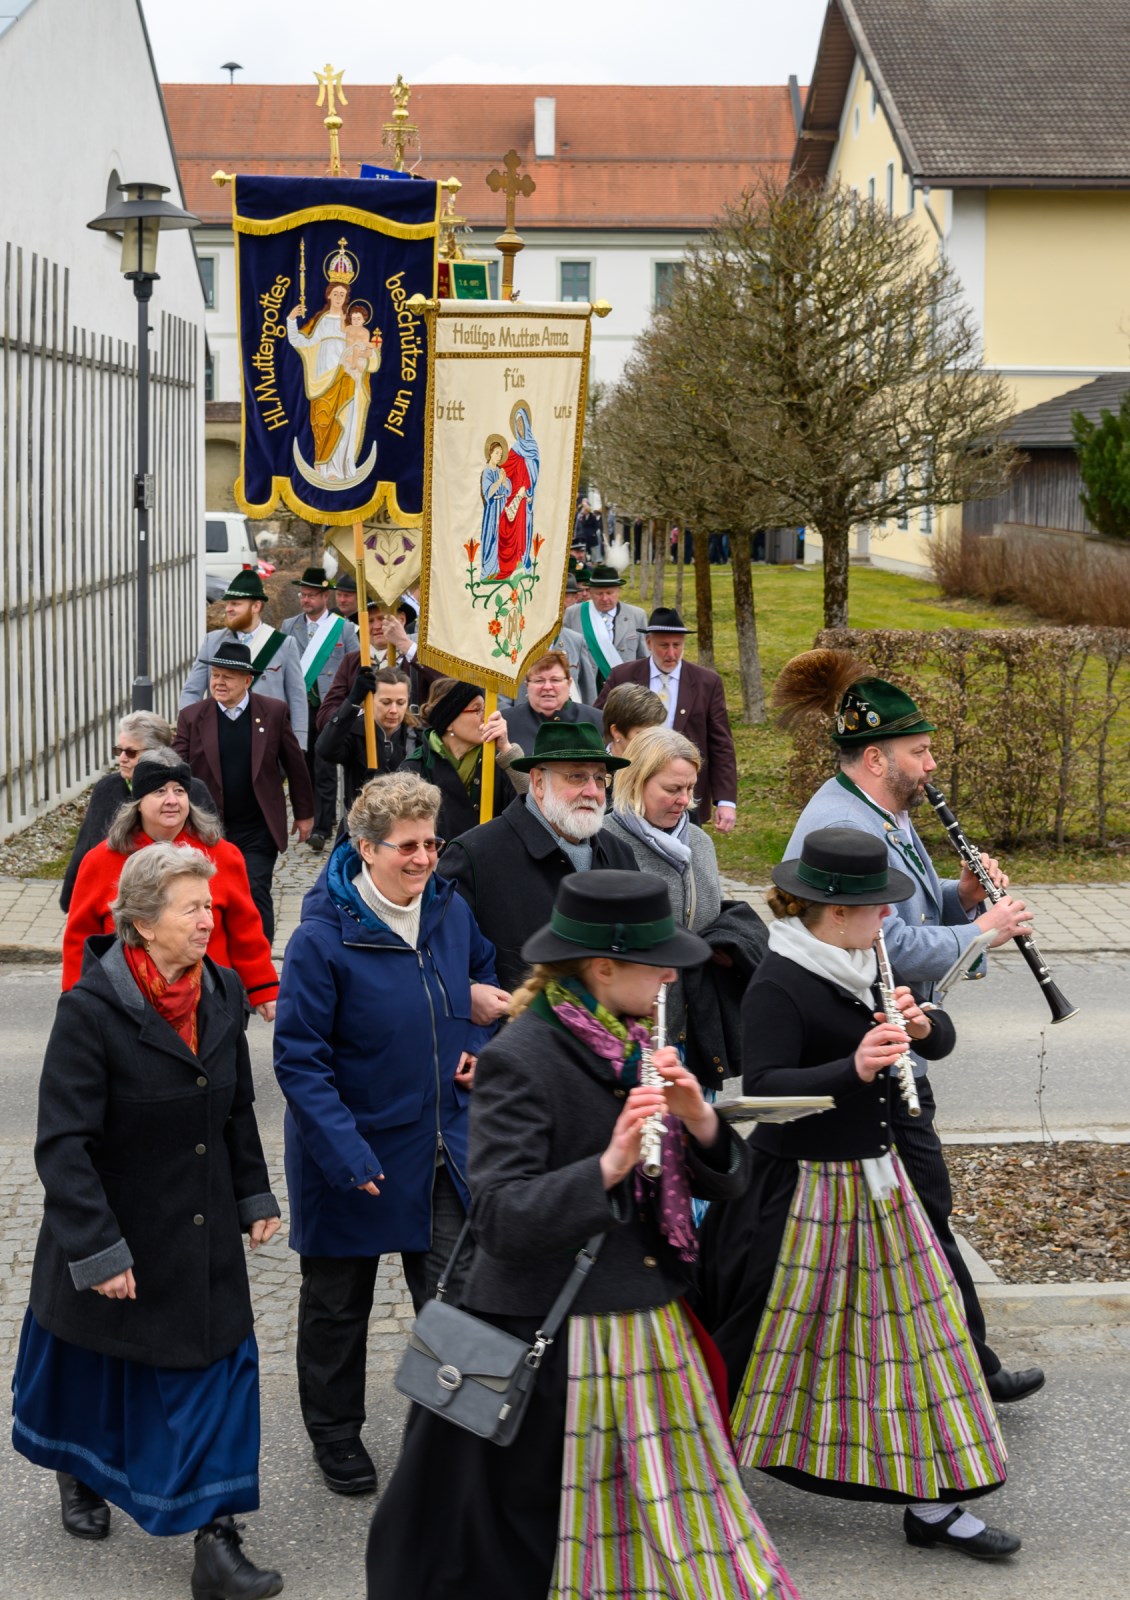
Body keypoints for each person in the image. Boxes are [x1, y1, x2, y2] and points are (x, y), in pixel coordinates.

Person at [366, 870, 798, 1600]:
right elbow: (501, 1218)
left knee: (684, 1533)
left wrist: (699, 1121)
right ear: (602, 969)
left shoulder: (635, 1042)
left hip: (648, 1322)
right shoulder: (521, 1057)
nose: (671, 975)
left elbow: (724, 1183)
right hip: (556, 1338)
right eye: (656, 962)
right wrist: (606, 1168)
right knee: (545, 1543)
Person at [697, 828, 1019, 1561]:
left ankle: (934, 1504)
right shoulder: (782, 976)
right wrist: (855, 1065)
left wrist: (920, 1022)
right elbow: (767, 1087)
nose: (890, 921)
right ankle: (694, 1472)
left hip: (878, 1182)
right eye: (880, 907)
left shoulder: (865, 959)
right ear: (836, 910)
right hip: (798, 1193)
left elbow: (937, 1044)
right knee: (756, 1339)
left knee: (923, 1337)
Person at [772, 649, 1044, 1403]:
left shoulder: (882, 813)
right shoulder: (836, 824)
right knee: (921, 1218)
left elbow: (913, 913)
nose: (930, 765)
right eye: (919, 752)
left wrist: (959, 897)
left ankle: (963, 1366)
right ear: (874, 757)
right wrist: (981, 931)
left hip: (897, 1044)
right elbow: (875, 940)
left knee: (922, 1217)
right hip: (866, 1055)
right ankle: (963, 1374)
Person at [13, 843, 283, 1598]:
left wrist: (254, 1194)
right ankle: (78, 1471)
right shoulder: (90, 1011)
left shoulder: (223, 991)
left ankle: (217, 1542)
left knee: (221, 1373)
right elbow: (62, 1144)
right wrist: (98, 1250)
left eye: (212, 906)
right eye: (193, 907)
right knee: (92, 1368)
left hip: (202, 1234)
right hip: (120, 1223)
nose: (210, 919)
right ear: (141, 921)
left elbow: (233, 1106)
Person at [272, 772, 507, 1498]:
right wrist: (344, 1153)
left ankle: (452, 1435)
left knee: (452, 1296)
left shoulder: (448, 909)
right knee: (339, 1304)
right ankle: (336, 1436)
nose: (424, 858)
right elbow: (299, 1060)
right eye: (407, 846)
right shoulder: (321, 939)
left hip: (439, 1147)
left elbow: (481, 973)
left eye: (432, 842)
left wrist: (474, 1036)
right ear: (366, 849)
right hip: (353, 1153)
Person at [63, 752, 279, 1015]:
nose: (172, 801)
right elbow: (79, 937)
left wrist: (262, 988)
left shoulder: (224, 855)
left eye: (179, 791)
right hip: (127, 1005)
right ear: (139, 803)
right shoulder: (99, 861)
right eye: (159, 791)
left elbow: (246, 930)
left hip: (210, 1002)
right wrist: (75, 998)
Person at [438, 720, 638, 992]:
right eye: (577, 776)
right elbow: (440, 954)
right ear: (538, 782)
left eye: (601, 778)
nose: (593, 791)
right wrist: (470, 991)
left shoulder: (620, 855)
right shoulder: (475, 856)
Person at [174, 642, 314, 944]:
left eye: (228, 677)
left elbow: (295, 764)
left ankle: (260, 952)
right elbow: (177, 769)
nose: (219, 683)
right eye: (215, 675)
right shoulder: (193, 716)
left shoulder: (273, 712)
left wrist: (304, 813)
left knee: (254, 887)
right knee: (212, 891)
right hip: (209, 827)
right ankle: (220, 955)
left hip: (257, 826)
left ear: (247, 680)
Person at [604, 726, 723, 1053]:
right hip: (631, 1033)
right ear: (636, 780)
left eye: (690, 788)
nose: (684, 801)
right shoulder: (604, 841)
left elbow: (713, 916)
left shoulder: (700, 843)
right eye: (672, 789)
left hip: (696, 1026)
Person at [597, 607, 739, 830]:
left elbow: (721, 743)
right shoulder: (622, 675)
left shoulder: (707, 682)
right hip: (629, 787)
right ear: (649, 644)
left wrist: (725, 800)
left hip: (682, 792)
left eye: (677, 645)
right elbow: (599, 721)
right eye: (664, 646)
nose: (671, 654)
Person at [60, 712, 216, 912]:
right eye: (119, 750)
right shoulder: (107, 789)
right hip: (117, 905)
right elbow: (86, 847)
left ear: (157, 752)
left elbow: (212, 851)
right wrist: (72, 898)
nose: (122, 759)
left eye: (131, 752)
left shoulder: (195, 791)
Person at [281, 566, 359, 850]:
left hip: (329, 707)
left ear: (325, 596)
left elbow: (354, 664)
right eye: (302, 595)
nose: (305, 600)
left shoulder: (344, 628)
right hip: (300, 707)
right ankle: (311, 817)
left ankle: (323, 828)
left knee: (325, 766)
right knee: (303, 765)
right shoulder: (289, 626)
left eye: (311, 595)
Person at [180, 570, 308, 744]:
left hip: (269, 740)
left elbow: (297, 697)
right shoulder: (212, 641)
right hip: (221, 737)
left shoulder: (284, 644)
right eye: (228, 603)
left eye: (235, 604)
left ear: (256, 606)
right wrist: (193, 729)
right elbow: (191, 690)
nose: (228, 609)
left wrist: (298, 743)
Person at [400, 677, 526, 843]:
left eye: (486, 709)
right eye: (477, 710)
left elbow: (532, 806)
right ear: (449, 722)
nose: (486, 717)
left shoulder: (498, 758)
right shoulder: (415, 768)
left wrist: (507, 749)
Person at [316, 662, 415, 812]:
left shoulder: (416, 735)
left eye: (400, 703)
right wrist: (352, 701)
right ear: (371, 701)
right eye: (386, 702)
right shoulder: (356, 730)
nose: (394, 710)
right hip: (364, 823)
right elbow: (325, 749)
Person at [563, 563, 648, 691]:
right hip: (588, 687)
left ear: (618, 590)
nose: (604, 598)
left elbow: (644, 657)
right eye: (599, 593)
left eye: (610, 593)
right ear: (590, 592)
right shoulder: (573, 614)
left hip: (624, 689)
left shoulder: (637, 615)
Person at [502, 649, 603, 752]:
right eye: (539, 681)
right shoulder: (505, 723)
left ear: (569, 683)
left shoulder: (597, 721)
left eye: (555, 680)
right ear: (527, 685)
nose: (547, 687)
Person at [601, 681, 667, 759]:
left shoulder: (662, 767)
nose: (651, 741)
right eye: (642, 734)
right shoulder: (594, 767)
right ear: (616, 731)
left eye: (655, 733)